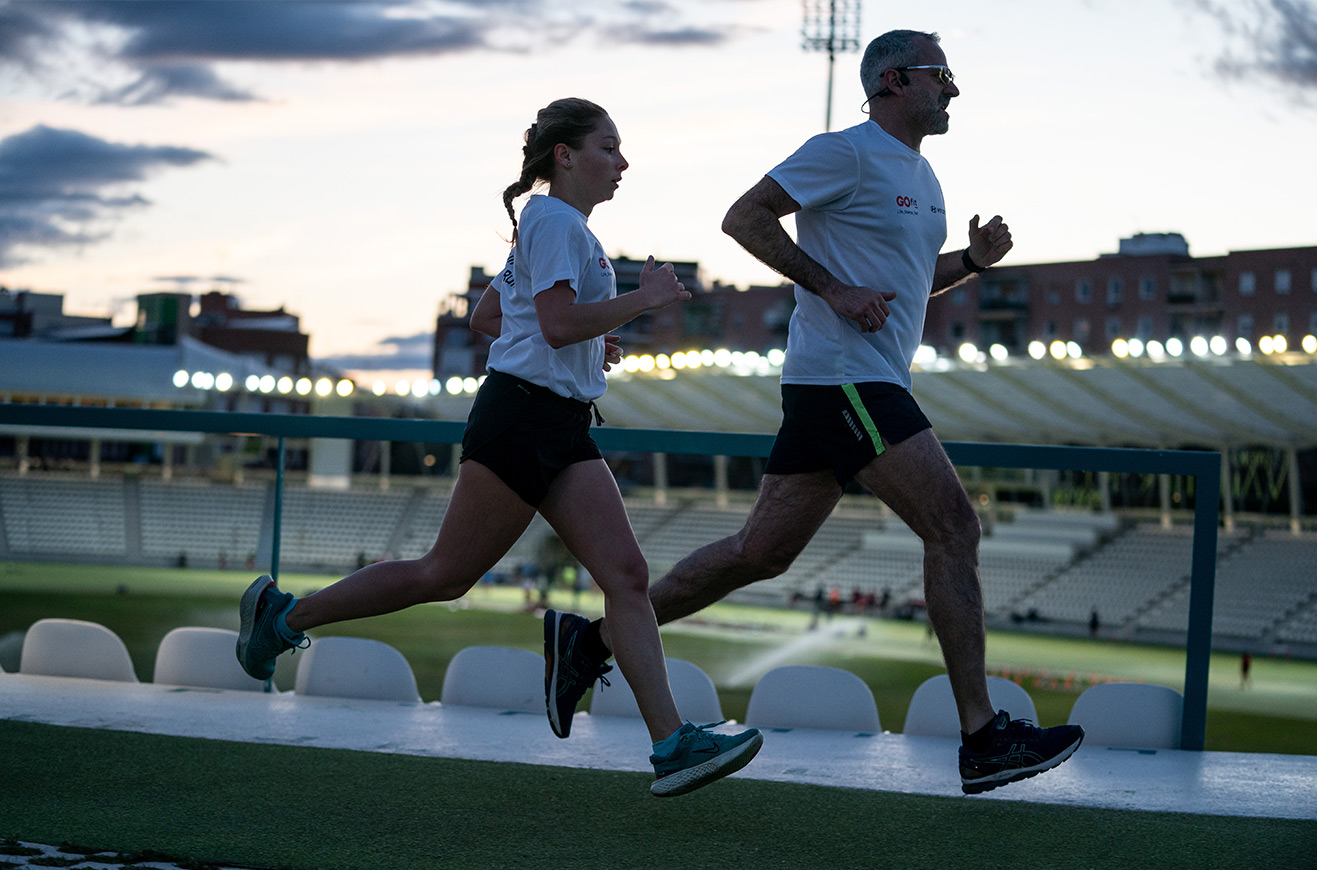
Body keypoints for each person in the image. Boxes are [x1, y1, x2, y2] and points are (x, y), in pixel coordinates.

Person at [548, 32, 1083, 796]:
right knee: (953, 527)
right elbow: (745, 216)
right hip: (847, 380)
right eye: (942, 76)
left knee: (759, 553)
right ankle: (983, 738)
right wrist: (832, 290)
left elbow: (896, 284)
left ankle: (590, 641)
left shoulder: (922, 175)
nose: (953, 91)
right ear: (894, 80)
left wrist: (969, 264)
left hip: (847, 382)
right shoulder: (846, 151)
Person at [235, 97, 761, 798]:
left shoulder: (558, 229)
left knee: (627, 578)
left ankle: (671, 744)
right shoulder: (551, 221)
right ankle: (283, 617)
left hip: (562, 423)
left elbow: (496, 315)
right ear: (564, 155)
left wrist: (585, 337)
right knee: (444, 576)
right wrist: (640, 302)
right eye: (608, 147)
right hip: (520, 419)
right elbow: (550, 323)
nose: (623, 162)